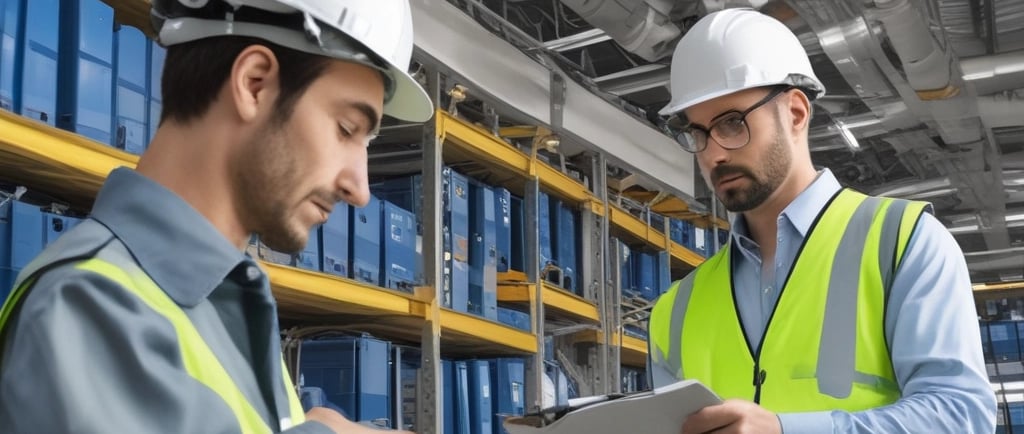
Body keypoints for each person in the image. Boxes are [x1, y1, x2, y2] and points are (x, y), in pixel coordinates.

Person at [0, 0, 432, 432]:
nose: (360, 189)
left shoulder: (232, 308)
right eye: (346, 129)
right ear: (254, 84)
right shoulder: (88, 309)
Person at [647, 8, 995, 434]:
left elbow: (960, 418)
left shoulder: (902, 244)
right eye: (697, 132)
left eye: (732, 123)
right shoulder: (675, 310)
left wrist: (786, 430)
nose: (713, 153)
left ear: (795, 113)